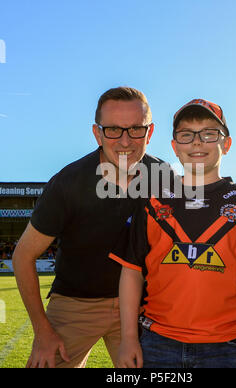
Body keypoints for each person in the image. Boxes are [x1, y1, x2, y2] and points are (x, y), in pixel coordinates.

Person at [109, 98, 236, 368]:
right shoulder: (152, 202)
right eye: (186, 135)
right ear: (174, 147)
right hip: (157, 343)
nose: (197, 142)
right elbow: (131, 272)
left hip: (226, 348)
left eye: (209, 134)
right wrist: (128, 337)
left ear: (226, 144)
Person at [12, 86, 170, 368]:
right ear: (97, 133)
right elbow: (23, 256)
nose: (125, 141)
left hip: (140, 307)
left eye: (136, 129)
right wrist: (42, 330)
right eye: (113, 130)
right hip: (75, 304)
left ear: (150, 131)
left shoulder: (164, 178)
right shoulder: (68, 182)